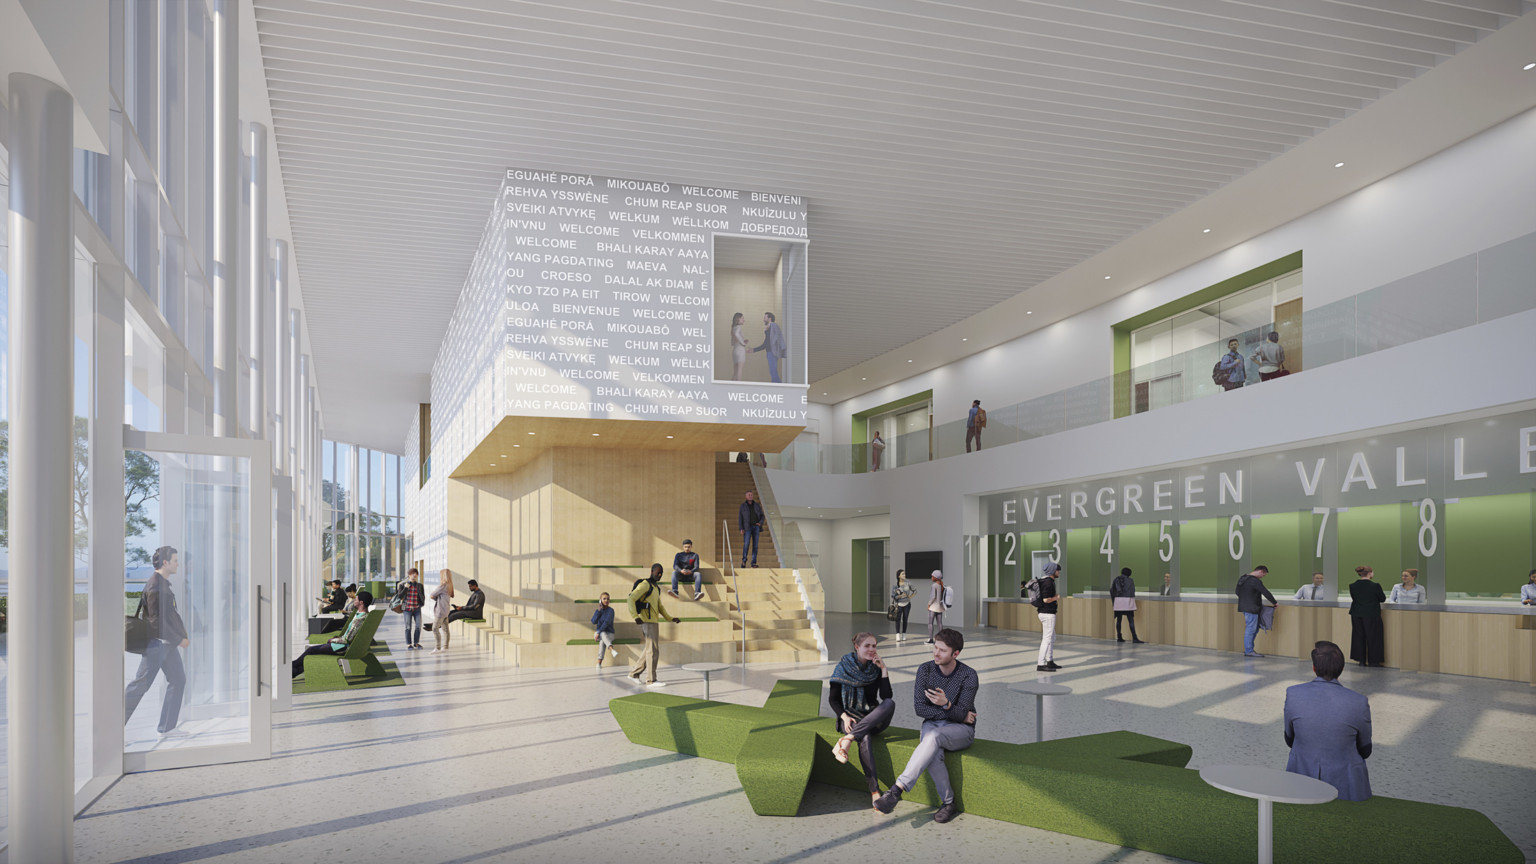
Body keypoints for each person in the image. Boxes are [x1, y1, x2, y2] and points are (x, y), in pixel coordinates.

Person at [873, 628, 977, 824]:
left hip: (961, 731)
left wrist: (946, 704)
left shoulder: (968, 675)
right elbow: (920, 709)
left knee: (933, 738)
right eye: (935, 648)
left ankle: (896, 790)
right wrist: (952, 711)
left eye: (943, 650)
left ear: (956, 654)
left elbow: (964, 716)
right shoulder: (925, 670)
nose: (936, 653)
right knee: (933, 750)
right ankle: (948, 803)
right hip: (932, 724)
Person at [1284, 641, 1373, 801]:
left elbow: (1289, 739)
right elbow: (1365, 749)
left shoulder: (1293, 694)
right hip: (1348, 786)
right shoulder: (1359, 702)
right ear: (1341, 669)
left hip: (1300, 779)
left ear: (1313, 668)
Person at [124, 545, 190, 736]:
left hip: (166, 644)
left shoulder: (163, 584)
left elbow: (169, 615)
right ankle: (112, 731)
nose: (178, 564)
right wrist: (178, 638)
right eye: (175, 561)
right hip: (157, 644)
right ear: (165, 562)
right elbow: (156, 621)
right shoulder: (155, 585)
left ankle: (167, 728)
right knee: (140, 686)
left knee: (178, 680)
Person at [828, 632, 895, 805]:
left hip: (873, 718)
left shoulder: (875, 668)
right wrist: (844, 717)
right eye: (867, 646)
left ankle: (848, 739)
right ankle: (874, 790)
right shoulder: (843, 667)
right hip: (850, 718)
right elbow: (833, 699)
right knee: (864, 737)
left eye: (874, 646)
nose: (872, 649)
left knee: (889, 703)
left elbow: (886, 695)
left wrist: (884, 670)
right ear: (857, 647)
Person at [627, 563, 679, 688]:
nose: (659, 575)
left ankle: (634, 674)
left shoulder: (656, 588)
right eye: (657, 572)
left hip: (654, 622)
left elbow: (660, 607)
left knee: (649, 650)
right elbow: (631, 599)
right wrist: (635, 616)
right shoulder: (645, 584)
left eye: (661, 573)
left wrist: (670, 618)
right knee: (653, 651)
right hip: (647, 621)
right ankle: (651, 680)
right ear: (652, 571)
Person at [291, 607, 370, 678]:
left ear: (361, 602)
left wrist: (332, 640)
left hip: (342, 647)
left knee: (311, 650)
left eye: (356, 599)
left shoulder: (359, 619)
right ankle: (293, 671)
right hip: (344, 645)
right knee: (312, 654)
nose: (355, 600)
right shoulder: (365, 616)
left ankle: (292, 666)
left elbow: (346, 639)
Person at [1348, 565, 1387, 667]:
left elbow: (1354, 598)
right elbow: (1382, 599)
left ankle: (1361, 660)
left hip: (1356, 614)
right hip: (1371, 614)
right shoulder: (1375, 586)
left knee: (1358, 636)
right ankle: (1374, 661)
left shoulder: (1352, 585)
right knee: (1373, 637)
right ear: (1369, 573)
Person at [1236, 565, 1277, 657]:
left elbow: (1237, 592)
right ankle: (1249, 651)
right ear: (1260, 571)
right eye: (1263, 575)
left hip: (1245, 607)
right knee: (1250, 629)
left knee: (1254, 628)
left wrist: (1246, 599)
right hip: (1252, 608)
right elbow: (1265, 592)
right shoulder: (1255, 581)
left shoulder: (1243, 578)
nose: (1262, 577)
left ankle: (1249, 649)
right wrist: (1274, 602)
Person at [1034, 561, 1064, 671]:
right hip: (1048, 614)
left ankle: (1050, 661)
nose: (1059, 572)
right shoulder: (1048, 583)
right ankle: (1041, 664)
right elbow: (1046, 599)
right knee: (1046, 639)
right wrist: (1056, 598)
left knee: (1052, 637)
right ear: (1052, 571)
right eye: (1057, 570)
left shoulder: (1043, 581)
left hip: (1043, 613)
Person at [1110, 566, 1144, 643]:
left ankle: (1119, 636)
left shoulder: (1116, 579)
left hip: (1118, 601)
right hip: (1128, 602)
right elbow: (1132, 592)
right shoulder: (1130, 580)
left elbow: (1112, 590)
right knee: (1131, 620)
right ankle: (1134, 637)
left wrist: (1114, 602)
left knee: (1119, 620)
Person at [751, 311, 787, 383]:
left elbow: (779, 338)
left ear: (769, 318)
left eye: (765, 318)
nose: (763, 319)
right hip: (769, 352)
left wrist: (782, 349)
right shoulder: (769, 328)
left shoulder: (773, 326)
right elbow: (766, 344)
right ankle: (776, 387)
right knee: (772, 371)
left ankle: (778, 387)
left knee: (773, 371)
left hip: (772, 352)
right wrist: (754, 350)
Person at [399, 567, 426, 650]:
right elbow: (400, 596)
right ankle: (409, 644)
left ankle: (416, 643)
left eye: (416, 574)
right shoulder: (403, 585)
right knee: (408, 627)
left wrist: (421, 603)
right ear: (409, 575)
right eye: (412, 574)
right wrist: (406, 587)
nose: (414, 575)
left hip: (417, 609)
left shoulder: (419, 585)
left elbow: (422, 596)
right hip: (407, 609)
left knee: (418, 626)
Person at [429, 568, 454, 654]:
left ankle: (437, 648)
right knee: (445, 629)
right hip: (446, 610)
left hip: (440, 611)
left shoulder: (443, 586)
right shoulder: (450, 586)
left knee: (435, 628)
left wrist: (437, 598)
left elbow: (432, 595)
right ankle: (446, 647)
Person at [591, 592, 618, 668]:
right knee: (602, 634)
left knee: (602, 640)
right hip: (598, 634)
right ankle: (611, 649)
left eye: (608, 599)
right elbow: (593, 621)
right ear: (600, 600)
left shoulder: (611, 611)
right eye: (604, 598)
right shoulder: (598, 611)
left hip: (609, 634)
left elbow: (606, 623)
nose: (606, 600)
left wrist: (599, 632)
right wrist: (599, 611)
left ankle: (599, 663)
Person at [739, 491, 764, 568]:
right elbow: (740, 518)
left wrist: (760, 523)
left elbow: (762, 516)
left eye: (751, 495)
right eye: (749, 495)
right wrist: (741, 528)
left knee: (755, 545)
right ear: (746, 497)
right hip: (747, 528)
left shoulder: (757, 505)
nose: (750, 496)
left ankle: (753, 563)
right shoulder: (743, 506)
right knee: (746, 544)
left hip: (756, 527)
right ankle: (744, 561)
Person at [891, 569, 914, 642]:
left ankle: (904, 634)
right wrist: (900, 596)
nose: (904, 575)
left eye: (904, 574)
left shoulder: (908, 583)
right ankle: (898, 635)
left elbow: (915, 590)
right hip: (899, 605)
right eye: (903, 574)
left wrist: (910, 597)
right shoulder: (895, 585)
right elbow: (893, 596)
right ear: (899, 576)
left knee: (905, 619)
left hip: (907, 604)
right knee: (898, 620)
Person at [925, 570, 946, 644]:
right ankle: (941, 639)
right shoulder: (941, 585)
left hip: (933, 607)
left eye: (932, 576)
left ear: (935, 577)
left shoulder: (934, 585)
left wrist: (929, 604)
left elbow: (933, 596)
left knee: (930, 623)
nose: (931, 577)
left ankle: (931, 639)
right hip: (940, 607)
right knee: (940, 623)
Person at [730, 312, 748, 380]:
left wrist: (742, 341)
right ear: (738, 319)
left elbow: (732, 343)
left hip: (735, 351)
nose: (744, 320)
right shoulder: (738, 327)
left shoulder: (733, 328)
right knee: (740, 370)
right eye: (742, 318)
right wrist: (743, 343)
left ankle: (730, 388)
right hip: (740, 350)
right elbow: (737, 335)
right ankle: (738, 387)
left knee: (735, 373)